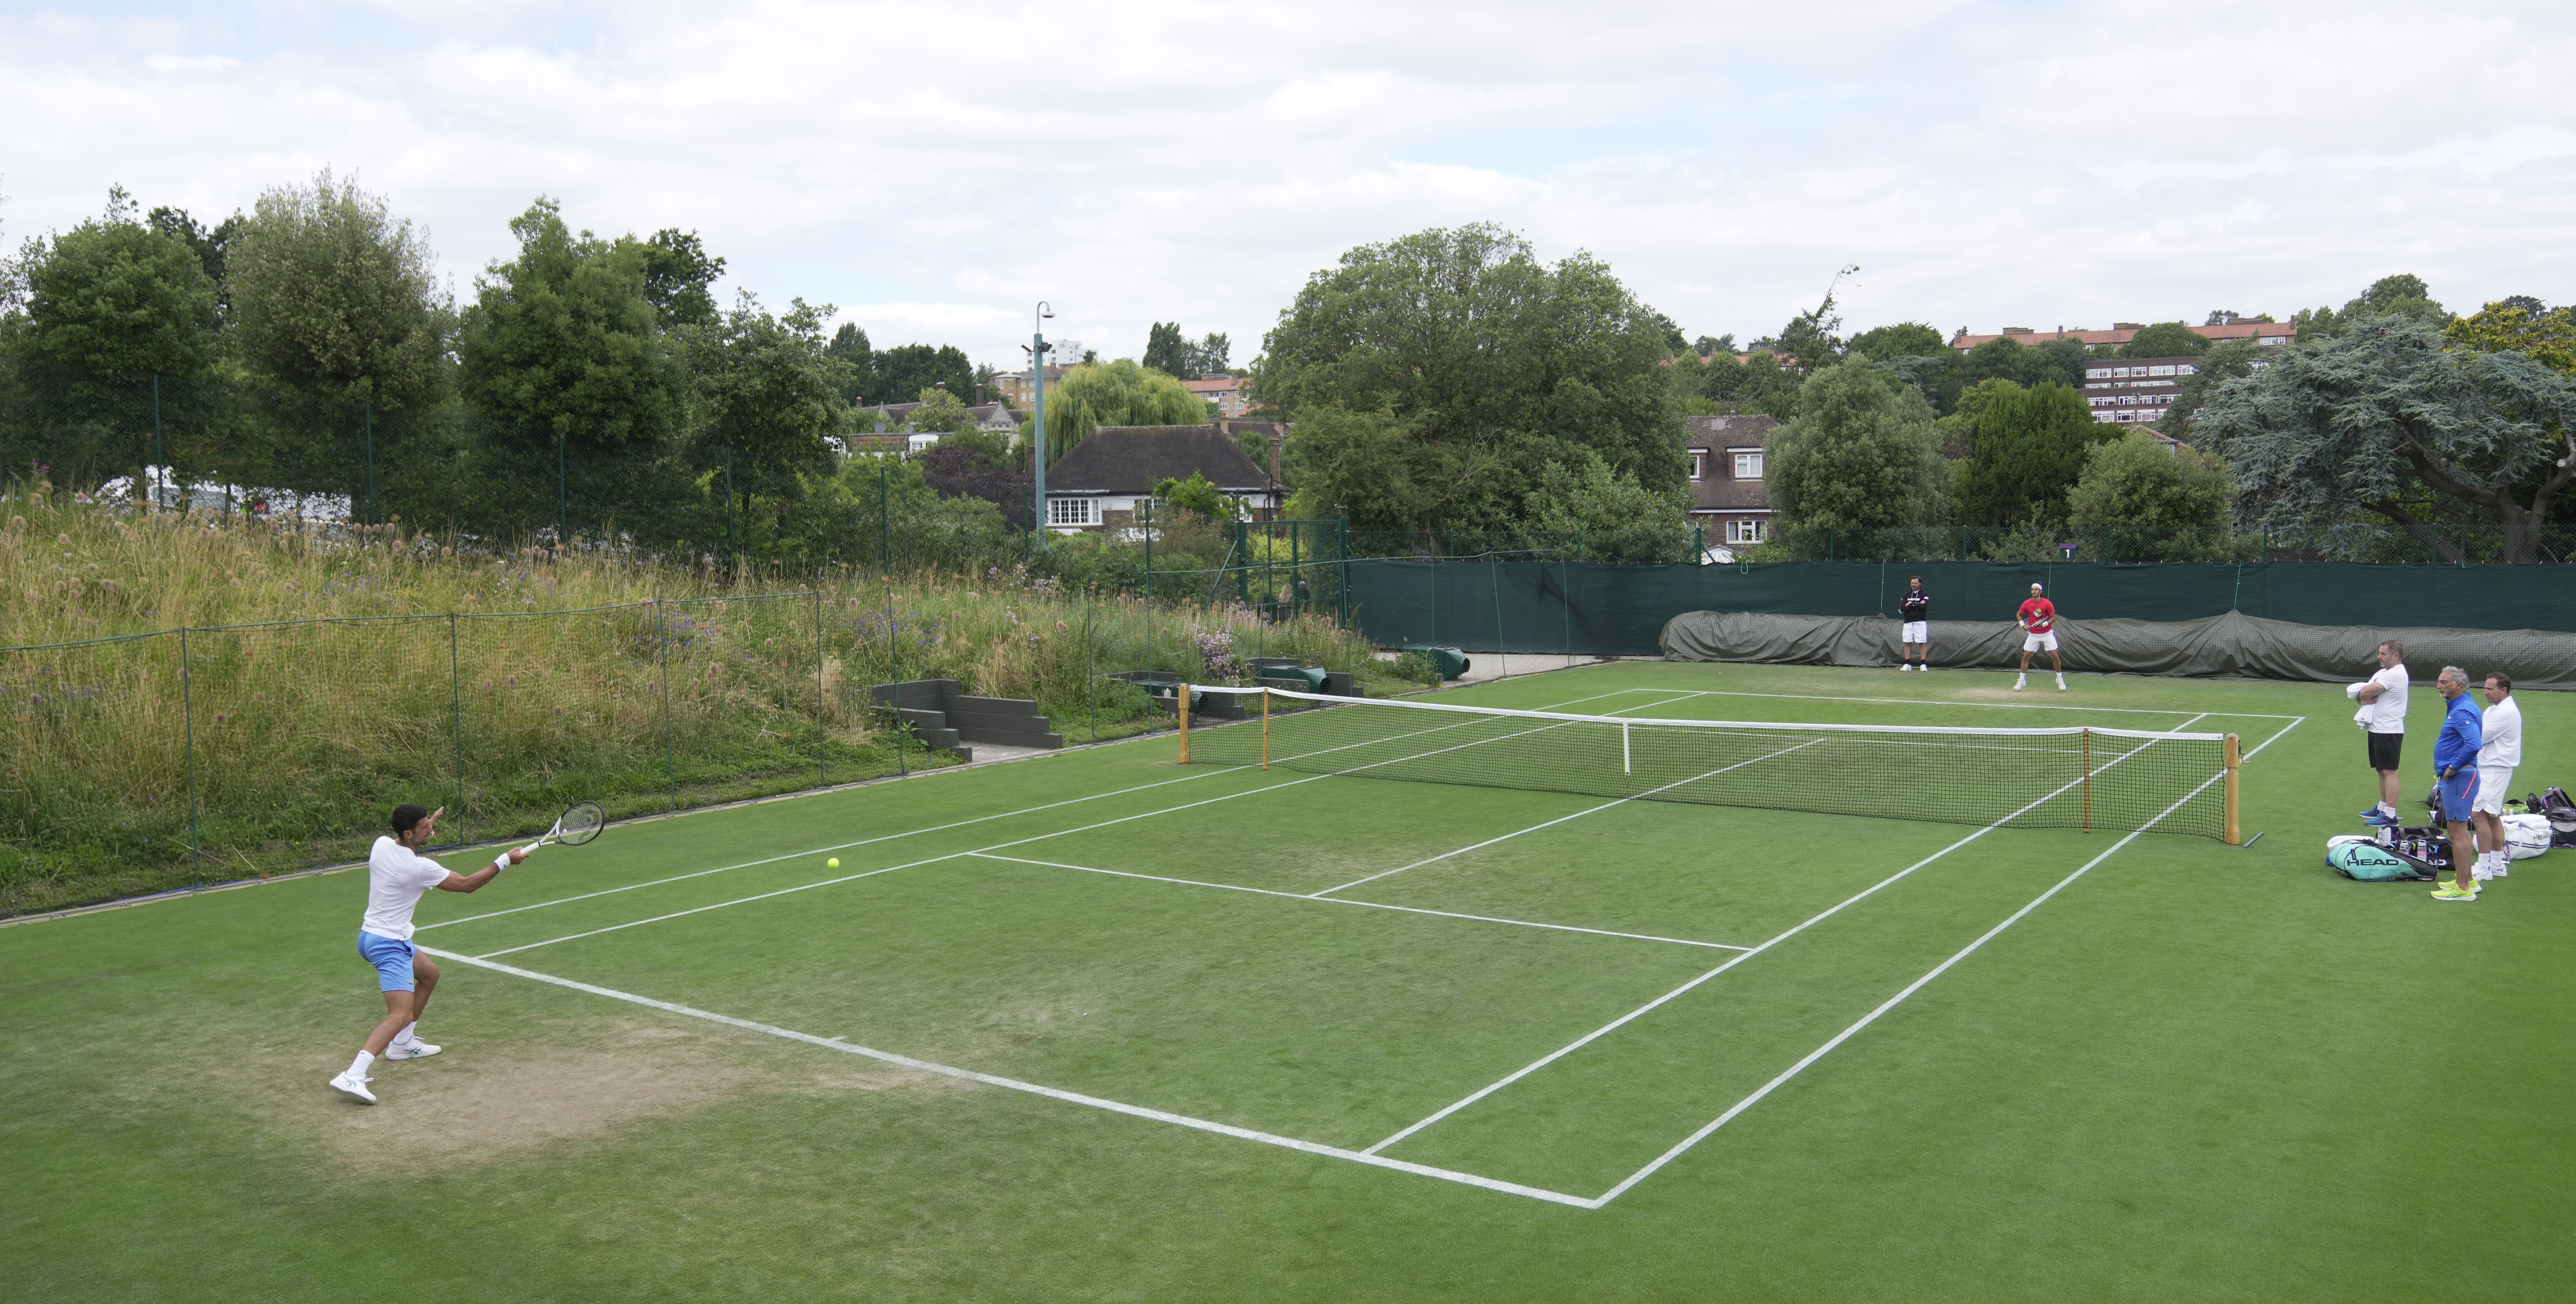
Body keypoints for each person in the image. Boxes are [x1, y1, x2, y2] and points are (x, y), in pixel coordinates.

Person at [329, 804, 527, 1104]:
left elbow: (409, 840)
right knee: (400, 1013)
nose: (431, 829)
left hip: (369, 936)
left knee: (430, 975)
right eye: (425, 827)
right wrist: (505, 860)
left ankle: (403, 1044)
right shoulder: (419, 868)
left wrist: (423, 827)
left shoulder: (382, 845)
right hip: (388, 944)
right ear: (408, 833)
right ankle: (353, 1074)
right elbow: (467, 885)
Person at [2428, 667, 2484, 902]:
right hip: (2462, 777)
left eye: (2444, 682)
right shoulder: (2462, 707)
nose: (2439, 686)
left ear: (2459, 685)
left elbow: (2473, 744)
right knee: (2456, 829)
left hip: (2460, 777)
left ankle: (2463, 889)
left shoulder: (2462, 711)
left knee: (2458, 831)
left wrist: (2452, 768)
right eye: (2439, 681)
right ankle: (2469, 879)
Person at [2471, 672, 2522, 883]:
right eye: (2485, 688)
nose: (2485, 692)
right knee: (2492, 815)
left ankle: (2484, 867)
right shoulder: (2494, 710)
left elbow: (2478, 737)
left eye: (2490, 689)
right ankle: (2498, 864)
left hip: (2494, 770)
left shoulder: (2506, 712)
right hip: (2493, 768)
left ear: (2504, 690)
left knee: (2478, 814)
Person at [2353, 641, 2410, 827]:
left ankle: (2390, 816)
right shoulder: (2385, 673)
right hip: (2377, 729)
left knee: (2389, 771)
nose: (2379, 657)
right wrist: (2362, 698)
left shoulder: (2395, 674)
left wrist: (2362, 696)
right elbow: (2363, 698)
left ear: (2395, 656)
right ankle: (2382, 808)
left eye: (2384, 654)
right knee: (2382, 770)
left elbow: (2365, 692)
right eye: (2379, 653)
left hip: (2389, 730)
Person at [2014, 582, 2064, 691]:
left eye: (2036, 590)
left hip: (2047, 633)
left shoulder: (2047, 604)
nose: (2034, 592)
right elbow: (2019, 614)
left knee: (2055, 655)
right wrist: (2023, 625)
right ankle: (2022, 681)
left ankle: (2060, 679)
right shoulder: (2027, 604)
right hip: (2033, 634)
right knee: (2026, 656)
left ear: (2041, 592)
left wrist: (2044, 624)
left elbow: (2053, 618)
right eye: (2033, 590)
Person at [1898, 576, 1931, 671]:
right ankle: (1908, 665)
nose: (1914, 585)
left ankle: (1923, 665)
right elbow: (1903, 609)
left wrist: (1910, 604)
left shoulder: (1925, 594)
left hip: (1920, 623)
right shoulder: (1906, 595)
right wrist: (1917, 605)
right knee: (1907, 643)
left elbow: (1924, 607)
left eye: (1916, 583)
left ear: (1920, 584)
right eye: (1912, 583)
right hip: (1908, 623)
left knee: (1923, 644)